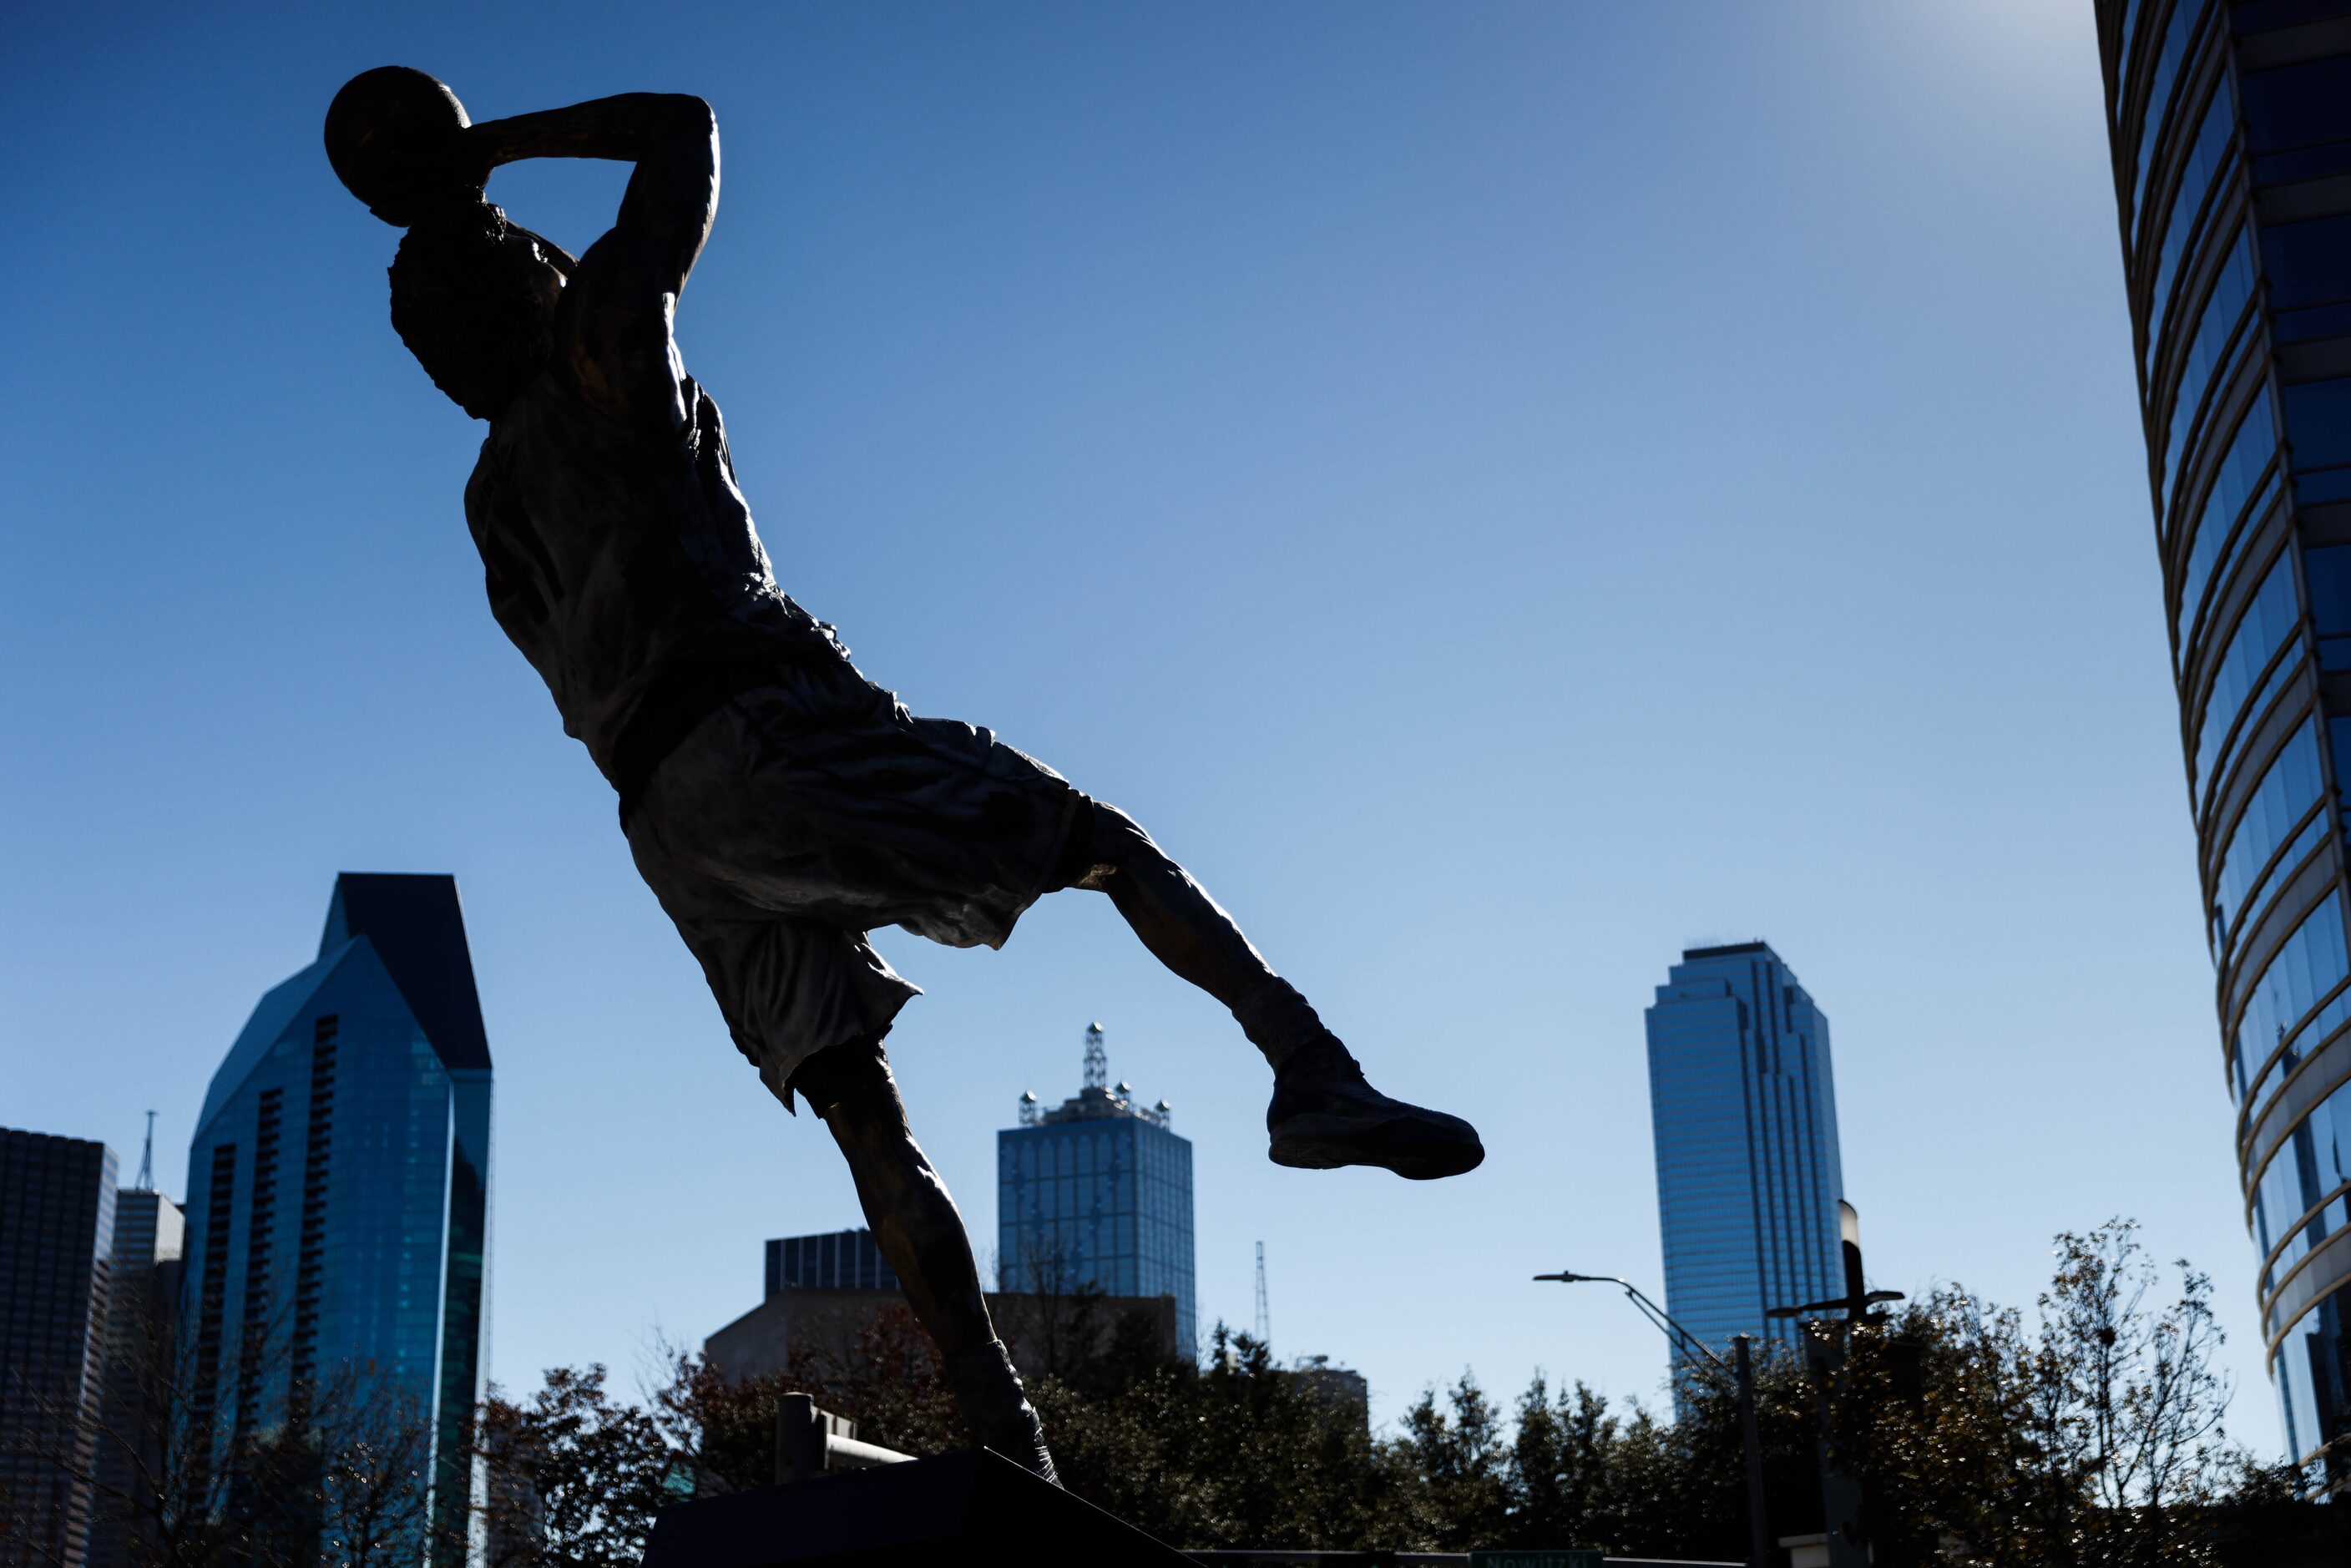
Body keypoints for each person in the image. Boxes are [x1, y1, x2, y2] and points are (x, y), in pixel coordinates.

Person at [324, 68, 1484, 1480]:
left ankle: (1006, 1428)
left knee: (866, 1119)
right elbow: (682, 126)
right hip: (759, 736)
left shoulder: (489, 508)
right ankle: (1309, 1067)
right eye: (532, 258)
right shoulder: (602, 353)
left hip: (667, 824)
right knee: (1095, 837)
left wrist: (443, 205)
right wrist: (478, 160)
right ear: (532, 288)